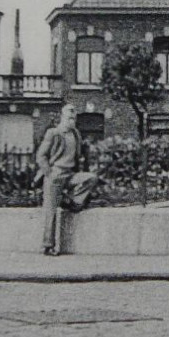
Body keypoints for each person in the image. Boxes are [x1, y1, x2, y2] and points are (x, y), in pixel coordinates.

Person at [35, 104, 100, 256]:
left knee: (91, 178)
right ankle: (48, 246)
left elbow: (79, 155)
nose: (71, 121)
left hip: (70, 175)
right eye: (68, 118)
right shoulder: (53, 133)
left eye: (73, 118)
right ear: (62, 117)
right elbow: (41, 155)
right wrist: (49, 173)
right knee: (51, 212)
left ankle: (73, 201)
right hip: (56, 175)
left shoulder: (76, 134)